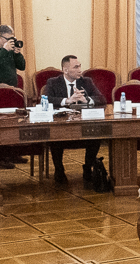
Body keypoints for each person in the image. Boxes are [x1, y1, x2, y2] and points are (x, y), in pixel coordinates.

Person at [43, 56, 109, 191]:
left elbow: (102, 99)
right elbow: (46, 99)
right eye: (76, 67)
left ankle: (88, 168)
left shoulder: (86, 81)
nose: (80, 70)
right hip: (61, 125)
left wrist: (86, 100)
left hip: (82, 124)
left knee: (95, 137)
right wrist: (67, 101)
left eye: (80, 66)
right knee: (54, 137)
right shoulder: (53, 82)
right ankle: (59, 170)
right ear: (65, 70)